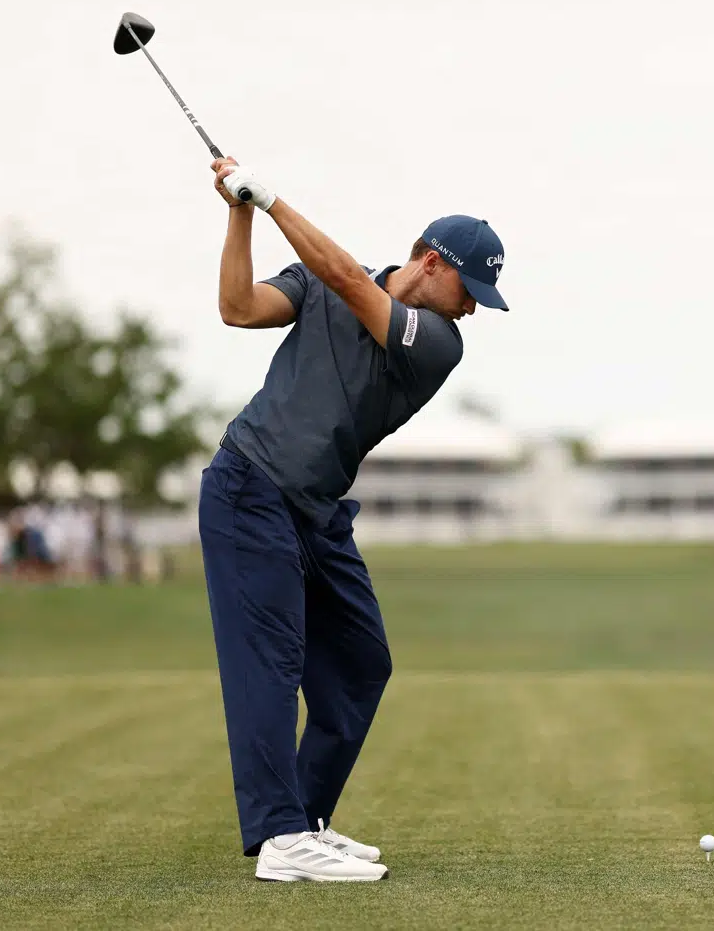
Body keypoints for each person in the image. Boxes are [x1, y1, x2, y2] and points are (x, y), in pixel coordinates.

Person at [197, 156, 508, 883]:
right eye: (472, 288)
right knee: (271, 663)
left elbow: (346, 280)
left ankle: (304, 818)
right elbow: (238, 307)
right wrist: (239, 210)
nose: (473, 308)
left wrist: (272, 199)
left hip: (316, 513)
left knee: (363, 662)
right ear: (431, 263)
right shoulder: (319, 281)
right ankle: (280, 838)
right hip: (250, 489)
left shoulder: (436, 342)